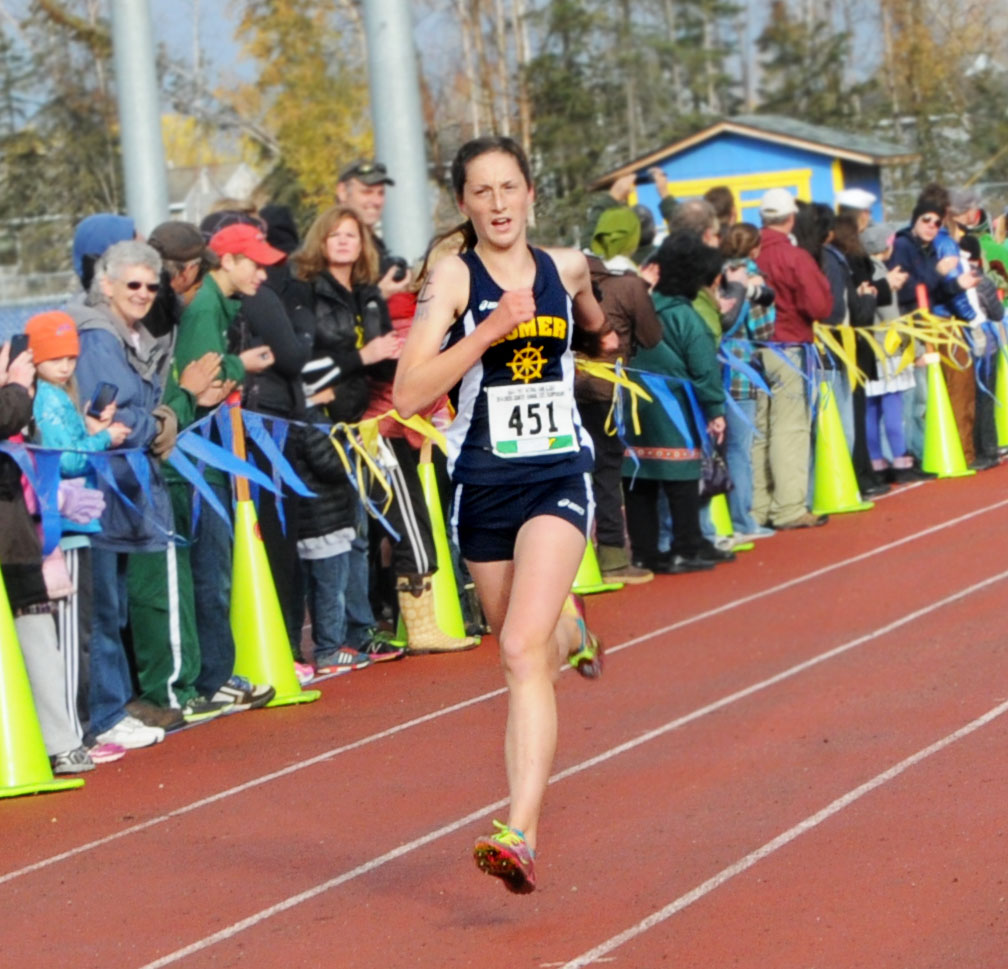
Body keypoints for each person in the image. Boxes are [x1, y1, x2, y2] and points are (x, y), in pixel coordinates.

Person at [393, 135, 611, 895]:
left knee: (521, 651)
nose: (497, 203)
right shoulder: (454, 277)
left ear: (530, 194)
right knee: (519, 644)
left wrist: (601, 327)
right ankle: (574, 631)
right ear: (463, 203)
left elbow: (593, 313)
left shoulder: (567, 265)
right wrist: (489, 330)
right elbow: (408, 393)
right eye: (481, 191)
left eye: (508, 187)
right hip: (483, 483)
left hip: (558, 476)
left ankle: (519, 833)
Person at [25, 311, 129, 748]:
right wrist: (103, 439)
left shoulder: (55, 397)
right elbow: (64, 458)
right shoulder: (46, 399)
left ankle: (77, 729)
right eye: (56, 358)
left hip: (71, 523)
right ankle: (75, 734)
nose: (66, 366)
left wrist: (89, 429)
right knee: (72, 637)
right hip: (63, 527)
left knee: (79, 633)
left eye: (70, 357)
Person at [622, 232, 731, 574]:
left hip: (632, 400)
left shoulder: (638, 306)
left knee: (638, 477)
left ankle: (644, 552)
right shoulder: (684, 316)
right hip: (673, 403)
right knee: (682, 477)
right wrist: (715, 409)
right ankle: (686, 546)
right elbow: (703, 366)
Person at [752, 188, 834, 529]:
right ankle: (788, 507)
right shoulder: (794, 257)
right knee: (790, 428)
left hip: (749, 351)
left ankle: (757, 508)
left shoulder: (749, 254)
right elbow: (819, 306)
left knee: (758, 429)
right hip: (788, 347)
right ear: (791, 218)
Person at [336, 160, 414, 299]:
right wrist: (378, 295)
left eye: (381, 193)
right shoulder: (331, 243)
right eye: (367, 192)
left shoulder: (373, 242)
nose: (376, 201)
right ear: (342, 192)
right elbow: (332, 303)